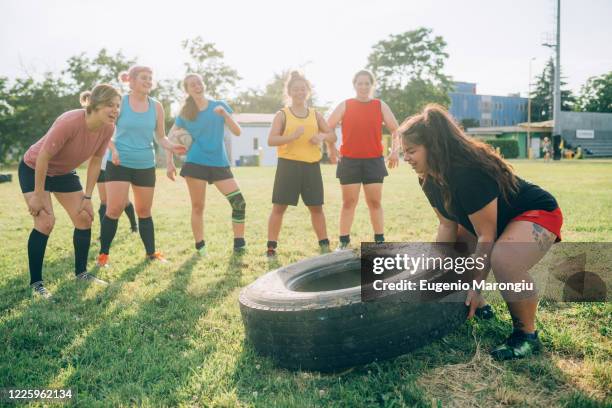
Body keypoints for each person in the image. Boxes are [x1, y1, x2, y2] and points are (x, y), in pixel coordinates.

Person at [400, 104, 563, 360]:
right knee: (453, 252)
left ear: (434, 148)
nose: (406, 158)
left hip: (535, 212)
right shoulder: (428, 178)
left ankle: (526, 336)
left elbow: (487, 236)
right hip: (494, 223)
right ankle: (479, 307)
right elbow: (447, 226)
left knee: (504, 259)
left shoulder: (468, 174)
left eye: (411, 151)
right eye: (403, 152)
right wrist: (431, 274)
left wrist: (476, 286)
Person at [18, 84, 121, 298]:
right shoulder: (70, 121)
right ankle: (36, 283)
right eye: (110, 105)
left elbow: (95, 162)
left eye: (118, 106)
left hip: (64, 172)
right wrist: (37, 194)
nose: (115, 110)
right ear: (95, 104)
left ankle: (81, 273)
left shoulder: (108, 128)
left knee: (84, 218)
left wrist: (87, 197)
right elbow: (43, 157)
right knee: (45, 222)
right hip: (35, 168)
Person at [97, 66, 186, 267]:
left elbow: (161, 136)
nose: (148, 81)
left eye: (150, 78)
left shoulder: (156, 106)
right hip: (119, 162)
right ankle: (103, 255)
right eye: (144, 78)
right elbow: (104, 130)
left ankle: (151, 253)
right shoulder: (121, 103)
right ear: (132, 81)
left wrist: (172, 146)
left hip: (145, 163)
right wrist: (114, 149)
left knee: (144, 210)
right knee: (114, 208)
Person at [166, 73, 244, 256]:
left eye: (199, 82)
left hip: (219, 163)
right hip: (196, 163)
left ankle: (239, 244)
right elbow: (169, 138)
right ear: (187, 90)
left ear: (203, 84)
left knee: (239, 202)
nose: (197, 86)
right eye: (192, 84)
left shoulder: (220, 106)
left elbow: (237, 131)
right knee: (198, 206)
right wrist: (169, 163)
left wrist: (225, 115)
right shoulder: (185, 113)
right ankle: (200, 246)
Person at [327, 70, 401, 249]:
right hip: (349, 161)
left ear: (372, 85)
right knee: (349, 203)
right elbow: (327, 127)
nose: (363, 87)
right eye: (360, 83)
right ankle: (344, 242)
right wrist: (331, 148)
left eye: (367, 83)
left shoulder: (379, 105)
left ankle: (380, 241)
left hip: (373, 161)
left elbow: (396, 129)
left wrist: (395, 151)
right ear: (354, 85)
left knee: (374, 202)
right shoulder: (345, 105)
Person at [265, 71, 336, 257]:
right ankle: (271, 247)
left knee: (316, 207)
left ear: (308, 92)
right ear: (289, 92)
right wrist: (292, 137)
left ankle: (324, 243)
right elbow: (271, 140)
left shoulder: (315, 114)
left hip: (311, 166)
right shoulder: (282, 115)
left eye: (303, 89)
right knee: (279, 207)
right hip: (288, 166)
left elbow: (332, 135)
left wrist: (322, 136)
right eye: (295, 89)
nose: (299, 92)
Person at [96, 149, 138, 238]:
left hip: (116, 167)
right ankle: (104, 233)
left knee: (125, 201)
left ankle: (134, 226)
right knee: (104, 201)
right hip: (101, 168)